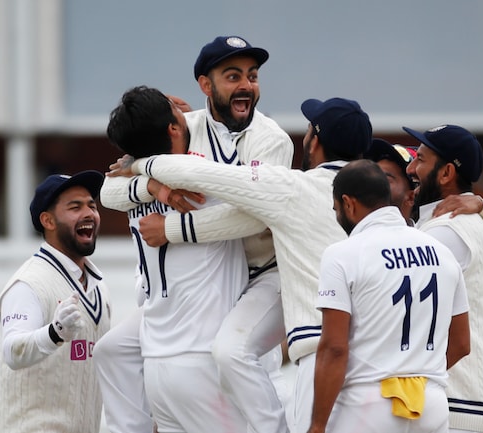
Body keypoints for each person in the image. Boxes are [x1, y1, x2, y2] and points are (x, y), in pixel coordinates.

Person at [111, 96, 371, 433]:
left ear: (315, 141)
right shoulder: (380, 196)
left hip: (321, 357)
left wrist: (140, 170)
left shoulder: (292, 187)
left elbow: (199, 176)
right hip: (386, 364)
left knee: (231, 352)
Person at [98, 35, 294, 433]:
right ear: (205, 85)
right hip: (196, 322)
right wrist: (154, 186)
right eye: (233, 76)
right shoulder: (180, 130)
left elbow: (256, 218)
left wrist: (172, 227)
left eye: (253, 76)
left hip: (264, 272)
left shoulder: (271, 139)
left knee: (233, 352)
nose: (246, 85)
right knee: (111, 350)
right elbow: (107, 191)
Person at [100, 85, 252, 433]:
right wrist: (198, 117)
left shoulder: (132, 185)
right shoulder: (200, 177)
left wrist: (143, 172)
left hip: (157, 364)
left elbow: (106, 191)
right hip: (202, 361)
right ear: (172, 127)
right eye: (173, 108)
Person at [308, 159, 470, 433]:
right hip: (431, 402)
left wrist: (317, 425)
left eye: (337, 209)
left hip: (368, 403)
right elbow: (462, 343)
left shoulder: (342, 254)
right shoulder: (441, 251)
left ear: (348, 204)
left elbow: (334, 348)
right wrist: (418, 368)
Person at [403, 124, 483, 433]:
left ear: (447, 173)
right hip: (474, 402)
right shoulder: (469, 226)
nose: (410, 168)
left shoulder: (446, 232)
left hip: (454, 405)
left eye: (421, 159)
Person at [0, 170, 111, 433]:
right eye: (75, 207)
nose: (89, 214)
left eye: (92, 206)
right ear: (48, 220)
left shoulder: (99, 287)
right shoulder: (28, 282)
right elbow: (12, 351)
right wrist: (54, 333)